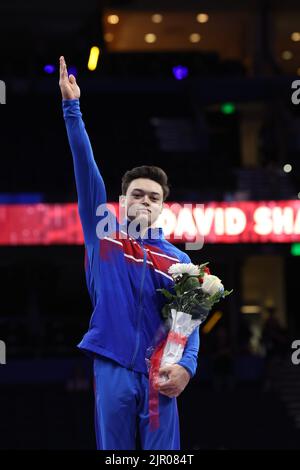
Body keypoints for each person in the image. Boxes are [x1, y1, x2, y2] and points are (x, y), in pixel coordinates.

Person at [59, 56, 200, 450]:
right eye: (136, 193)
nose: (145, 200)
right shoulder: (103, 236)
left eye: (153, 196)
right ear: (122, 201)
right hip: (113, 365)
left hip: (160, 373)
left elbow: (188, 325)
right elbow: (85, 169)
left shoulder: (180, 260)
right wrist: (73, 110)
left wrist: (186, 368)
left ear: (162, 207)